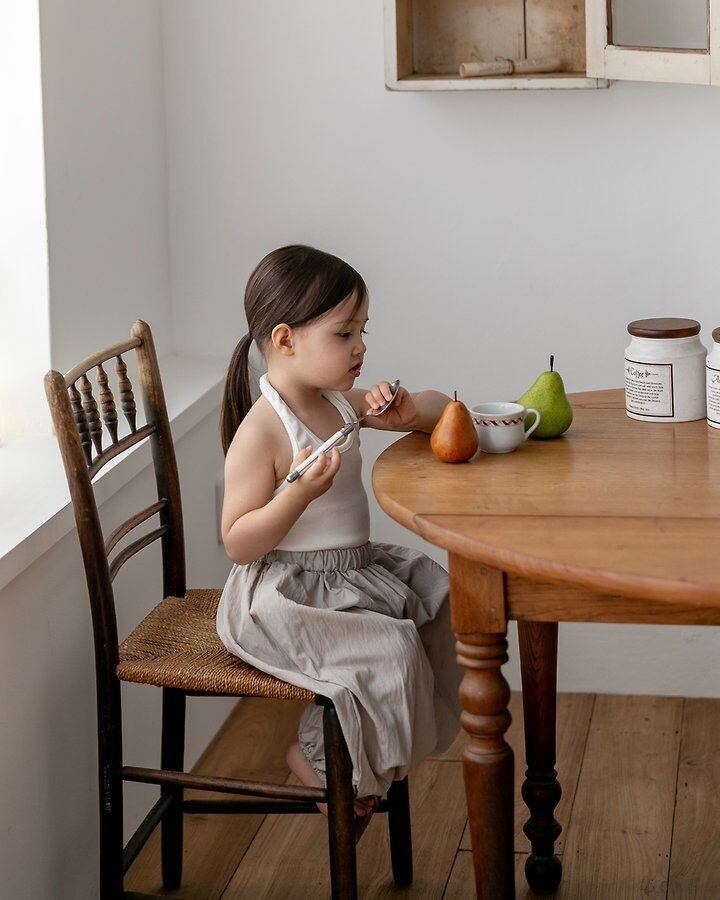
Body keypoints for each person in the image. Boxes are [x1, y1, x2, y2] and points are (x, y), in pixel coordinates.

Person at [216, 244, 463, 821]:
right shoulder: (263, 431)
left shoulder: (338, 404)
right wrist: (297, 494)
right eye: (344, 333)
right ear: (285, 339)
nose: (361, 347)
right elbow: (238, 541)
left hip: (350, 574)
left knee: (444, 599)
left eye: (362, 331)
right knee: (392, 649)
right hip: (285, 593)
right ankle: (319, 759)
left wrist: (408, 411)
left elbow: (444, 409)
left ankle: (370, 763)